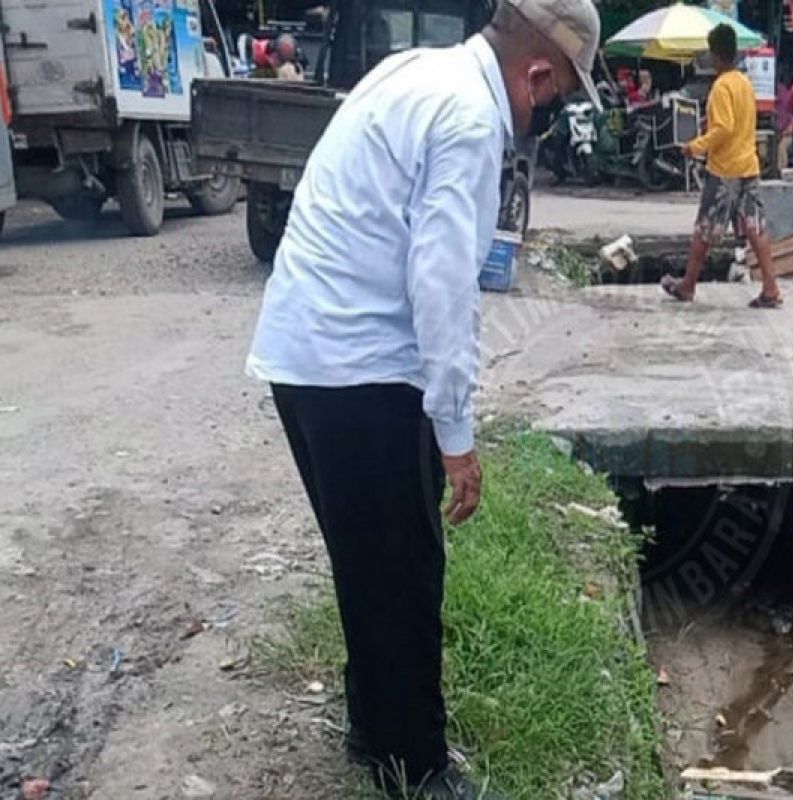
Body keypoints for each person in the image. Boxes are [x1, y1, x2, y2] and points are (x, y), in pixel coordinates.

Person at [244, 0, 601, 796]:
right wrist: (456, 432)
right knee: (404, 572)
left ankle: (375, 730)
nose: (545, 118)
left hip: (307, 359)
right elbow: (442, 286)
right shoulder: (473, 119)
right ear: (535, 74)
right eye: (555, 100)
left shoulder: (415, 70)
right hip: (361, 368)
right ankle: (416, 767)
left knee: (368, 562)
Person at [662, 24, 781, 308]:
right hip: (748, 166)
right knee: (756, 228)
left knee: (705, 230)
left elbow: (724, 128)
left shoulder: (721, 87)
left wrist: (695, 146)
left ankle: (688, 285)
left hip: (725, 170)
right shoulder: (744, 83)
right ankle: (771, 287)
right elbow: (737, 124)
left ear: (715, 55)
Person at [774, 74, 793, 176]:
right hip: (779, 132)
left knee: (782, 146)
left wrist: (785, 132)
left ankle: (782, 171)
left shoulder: (787, 99)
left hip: (789, 133)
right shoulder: (776, 106)